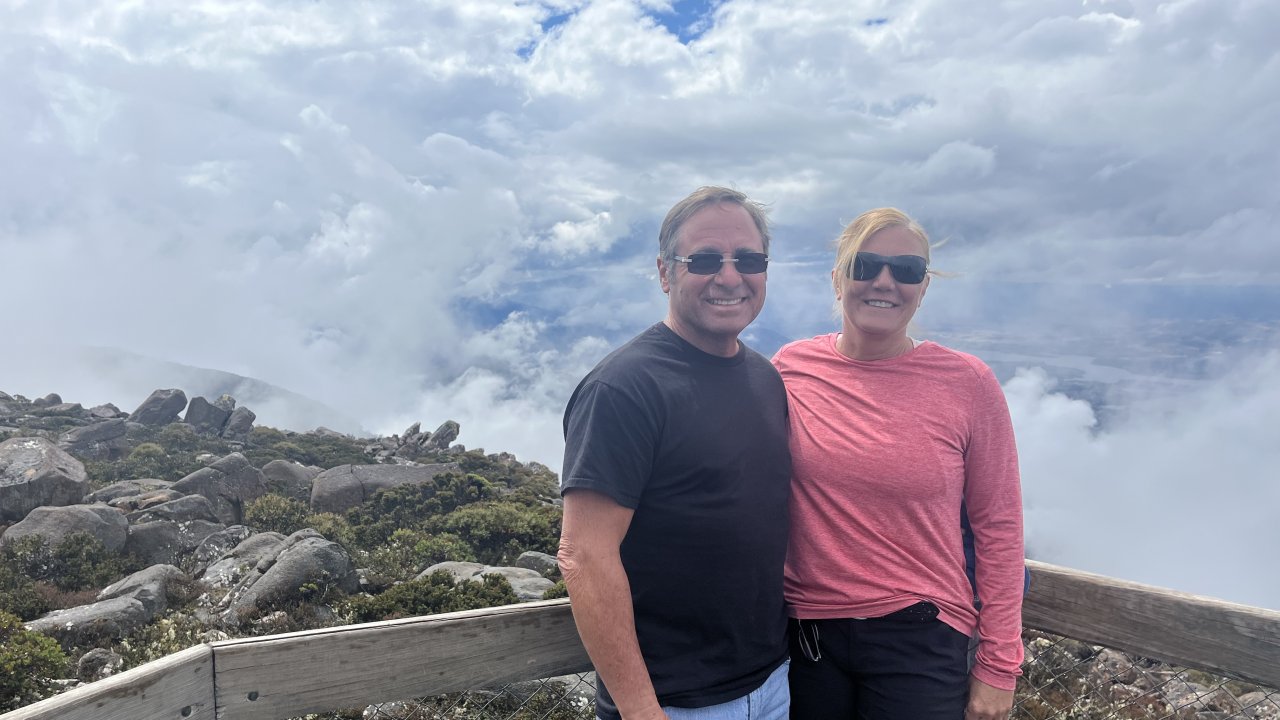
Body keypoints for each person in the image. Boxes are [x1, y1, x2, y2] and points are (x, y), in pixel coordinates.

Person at [772, 208, 1024, 720]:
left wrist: (999, 666)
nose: (884, 281)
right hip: (808, 638)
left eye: (906, 270)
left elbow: (998, 526)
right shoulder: (791, 369)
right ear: (838, 279)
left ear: (923, 287)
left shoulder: (968, 384)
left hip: (921, 638)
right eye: (865, 265)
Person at [558, 186, 793, 720]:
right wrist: (641, 709)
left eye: (749, 260)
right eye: (705, 260)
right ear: (665, 273)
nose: (730, 276)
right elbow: (584, 556)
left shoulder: (765, 379)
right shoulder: (622, 389)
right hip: (673, 704)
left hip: (773, 684)